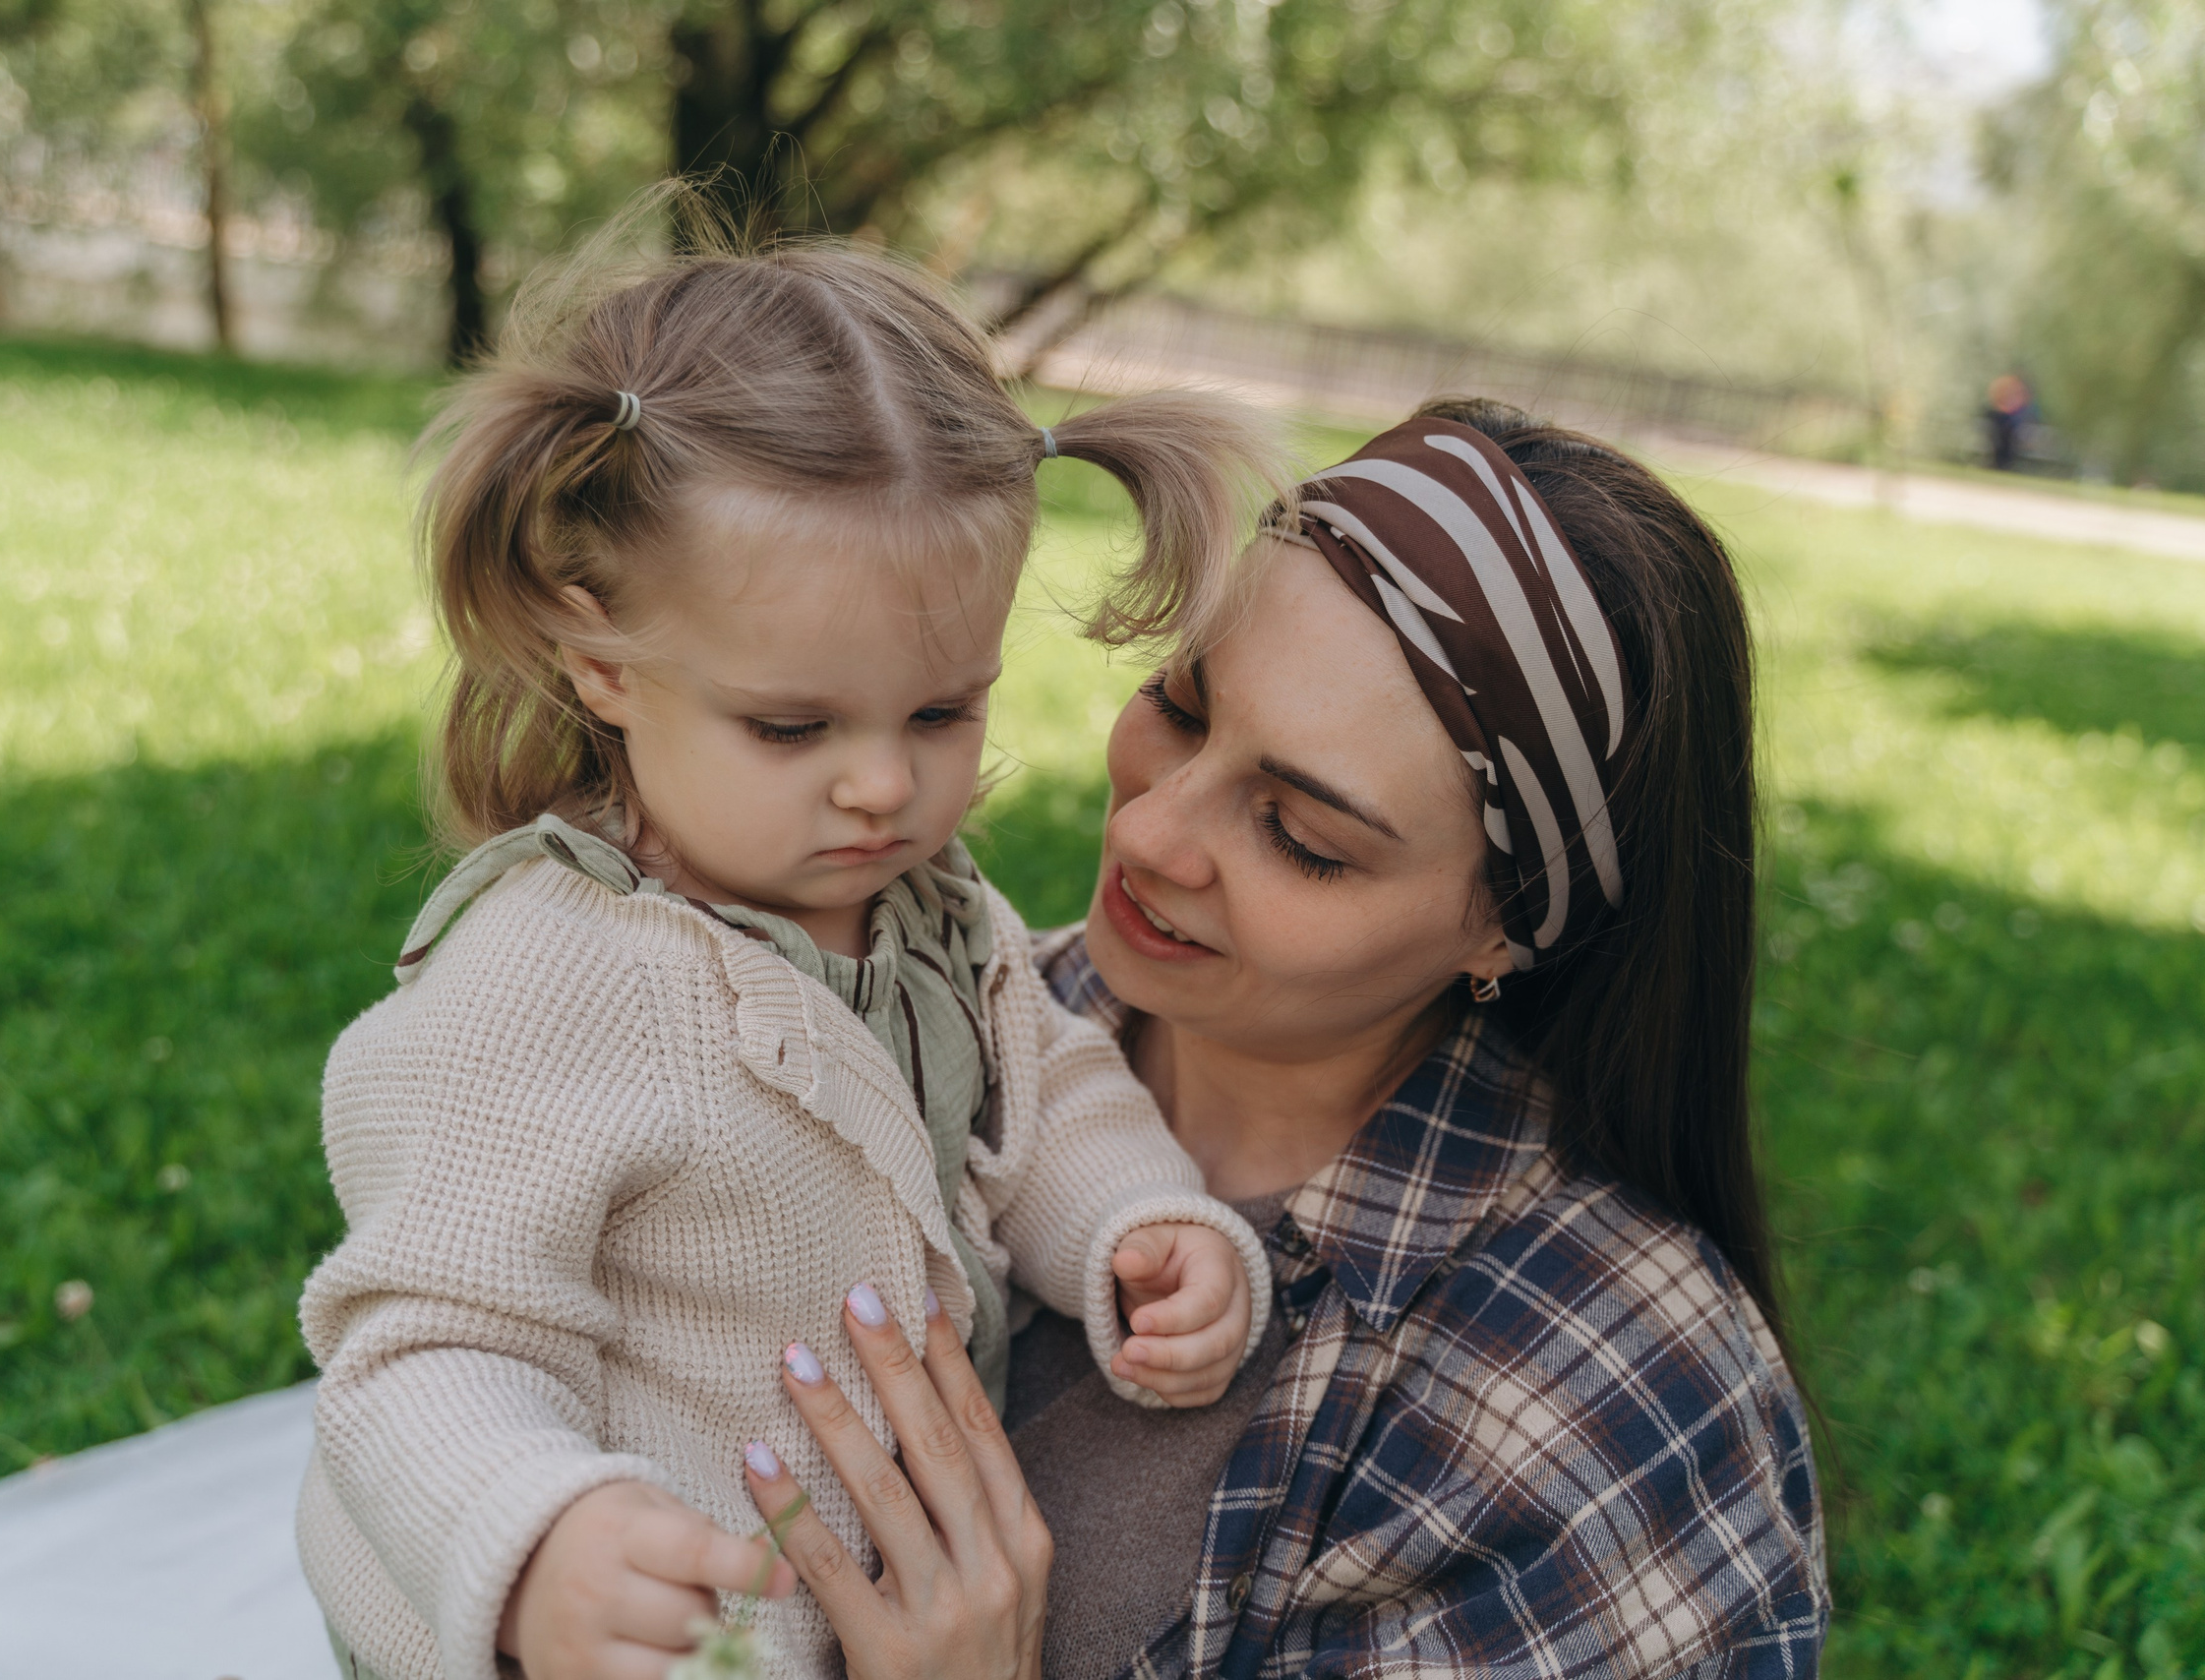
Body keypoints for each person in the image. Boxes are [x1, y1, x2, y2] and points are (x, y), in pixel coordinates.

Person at [295, 216, 1290, 1680]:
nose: (884, 785)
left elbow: (1046, 1085)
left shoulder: (933, 912)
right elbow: (423, 1345)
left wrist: (1137, 1227)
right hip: (598, 1632)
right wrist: (533, 1540)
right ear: (601, 665)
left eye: (942, 713)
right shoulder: (546, 978)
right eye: (792, 726)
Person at [733, 399, 1828, 1678]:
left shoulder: (1600, 1409)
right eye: (1182, 708)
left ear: (1507, 929)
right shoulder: (906, 1026)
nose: (1150, 835)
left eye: (1303, 838)